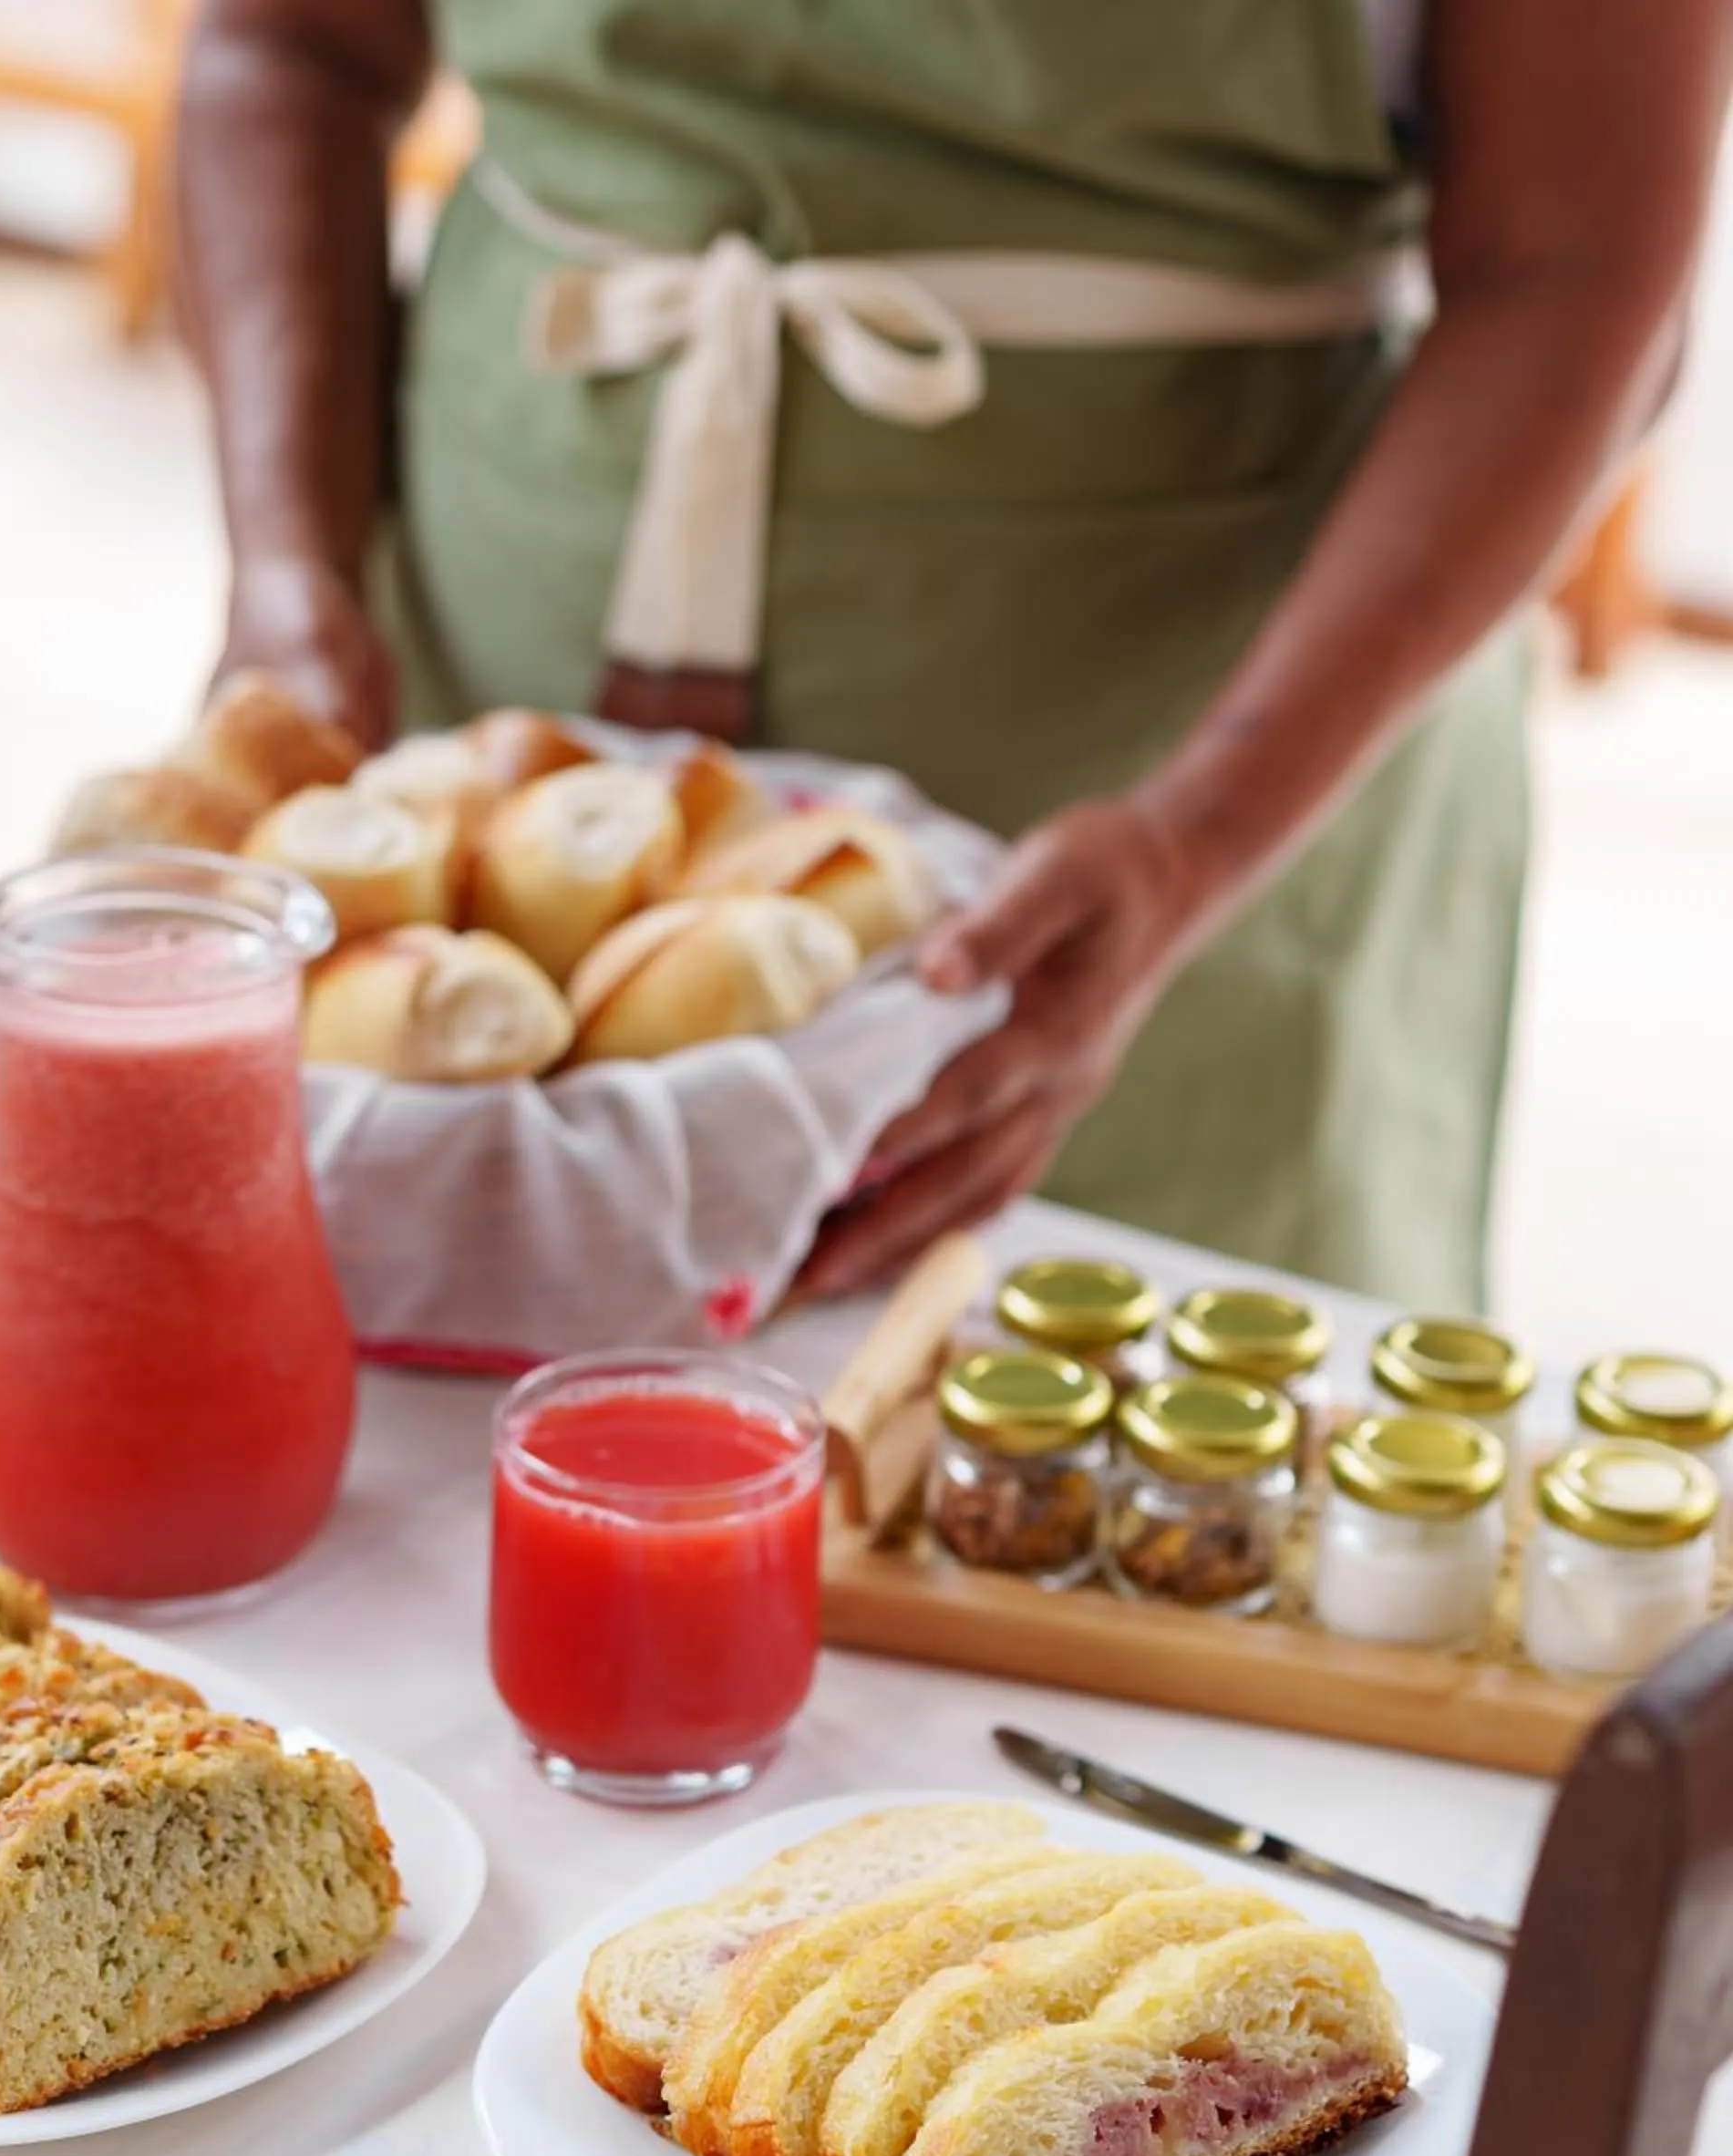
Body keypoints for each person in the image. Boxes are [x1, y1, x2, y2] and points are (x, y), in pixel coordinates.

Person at [177, 0, 1733, 1305]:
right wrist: (289, 572)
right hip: (470, 697)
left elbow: (1576, 266)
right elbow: (285, 50)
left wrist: (1193, 848)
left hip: (1201, 831)